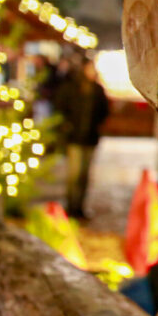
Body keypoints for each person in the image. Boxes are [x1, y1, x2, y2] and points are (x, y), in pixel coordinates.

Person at [54, 58, 110, 219]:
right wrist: (67, 127)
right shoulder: (71, 88)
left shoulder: (97, 90)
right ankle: (71, 206)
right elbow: (60, 108)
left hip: (90, 138)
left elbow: (103, 111)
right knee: (74, 174)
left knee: (84, 175)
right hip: (74, 138)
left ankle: (79, 207)